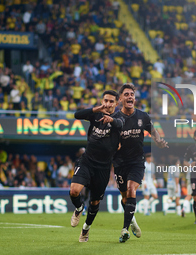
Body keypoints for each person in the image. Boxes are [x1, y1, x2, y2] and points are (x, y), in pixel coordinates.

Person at [113, 83, 168, 243]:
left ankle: (124, 229)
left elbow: (153, 131)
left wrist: (158, 141)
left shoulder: (142, 116)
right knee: (125, 197)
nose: (130, 97)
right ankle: (132, 221)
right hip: (119, 163)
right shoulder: (116, 118)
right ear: (121, 98)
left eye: (132, 94)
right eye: (126, 94)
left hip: (137, 161)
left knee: (131, 190)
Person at [69, 90, 124, 242]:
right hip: (87, 161)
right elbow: (76, 115)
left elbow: (120, 124)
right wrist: (96, 109)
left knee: (95, 202)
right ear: (102, 100)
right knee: (74, 191)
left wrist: (111, 120)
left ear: (116, 103)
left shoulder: (120, 117)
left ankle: (85, 230)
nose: (107, 104)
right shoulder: (95, 114)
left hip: (104, 166)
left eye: (111, 101)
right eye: (105, 100)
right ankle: (79, 208)